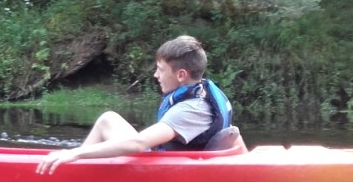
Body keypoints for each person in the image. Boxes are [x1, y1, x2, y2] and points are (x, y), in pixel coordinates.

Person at [35, 35, 232, 174]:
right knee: (108, 119)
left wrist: (74, 153)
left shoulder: (190, 110)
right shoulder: (202, 91)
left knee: (109, 128)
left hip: (167, 173)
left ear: (181, 75)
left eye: (161, 70)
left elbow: (137, 144)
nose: (156, 75)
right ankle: (78, 168)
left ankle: (73, 170)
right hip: (180, 163)